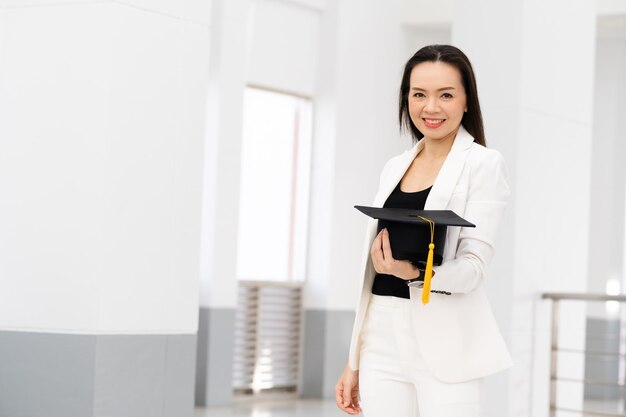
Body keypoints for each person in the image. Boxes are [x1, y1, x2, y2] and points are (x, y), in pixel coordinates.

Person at [334, 44, 513, 417]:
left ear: (467, 101)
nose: (430, 107)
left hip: (446, 343)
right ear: (406, 100)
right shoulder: (394, 166)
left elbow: (473, 268)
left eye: (445, 95)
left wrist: (415, 273)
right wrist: (354, 358)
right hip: (380, 336)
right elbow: (370, 277)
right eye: (419, 95)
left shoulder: (483, 164)